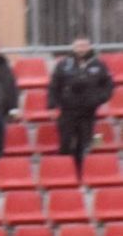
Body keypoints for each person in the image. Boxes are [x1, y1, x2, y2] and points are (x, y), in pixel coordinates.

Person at [47, 35, 115, 172]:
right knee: (65, 144)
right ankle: (65, 174)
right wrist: (52, 106)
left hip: (88, 113)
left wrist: (98, 99)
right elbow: (54, 86)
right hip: (67, 112)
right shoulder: (64, 64)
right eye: (78, 46)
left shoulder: (99, 64)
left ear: (89, 47)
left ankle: (82, 175)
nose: (81, 49)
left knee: (85, 146)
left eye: (84, 45)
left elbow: (108, 86)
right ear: (73, 47)